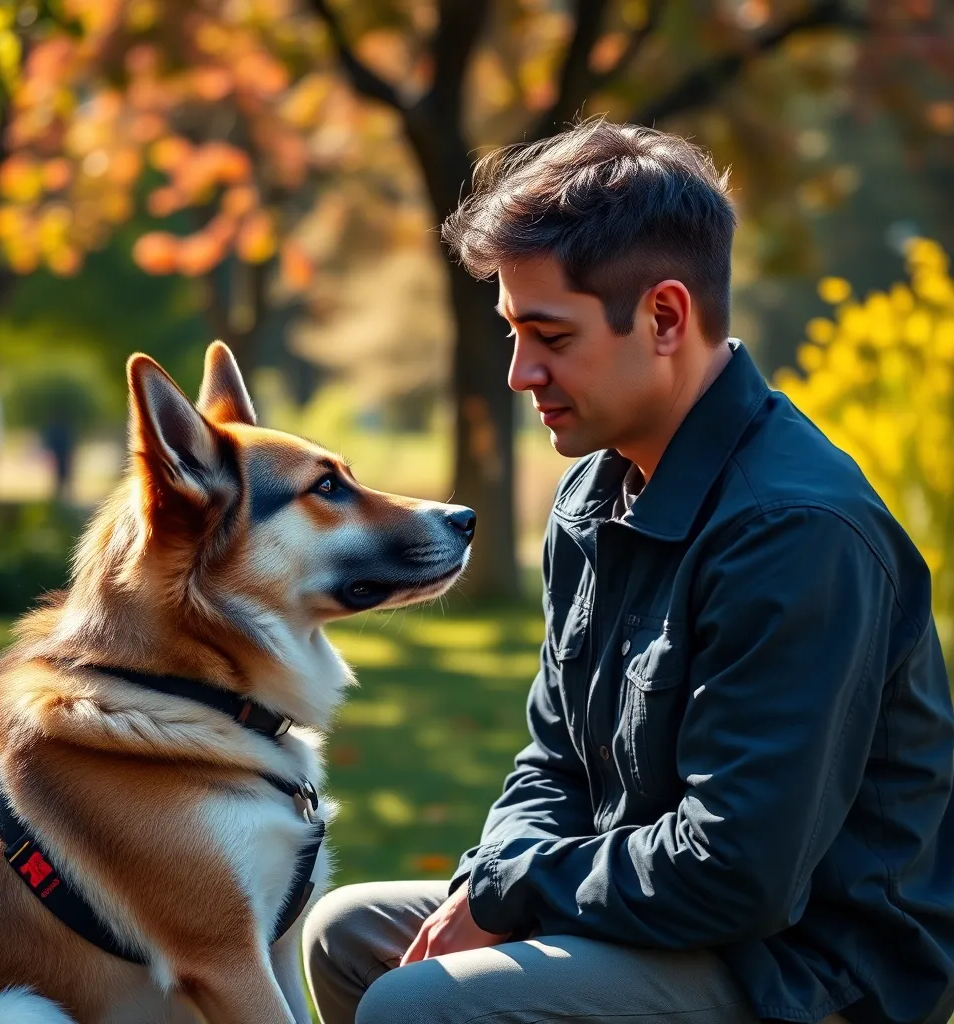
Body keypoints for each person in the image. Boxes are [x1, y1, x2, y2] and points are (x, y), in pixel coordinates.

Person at [301, 121, 954, 1024]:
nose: (520, 373)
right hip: (657, 915)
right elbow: (556, 757)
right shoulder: (595, 493)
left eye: (549, 335)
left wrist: (509, 894)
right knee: (348, 935)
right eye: (511, 332)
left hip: (804, 976)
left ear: (664, 318)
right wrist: (496, 883)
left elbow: (738, 875)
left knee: (418, 1005)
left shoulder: (796, 534)